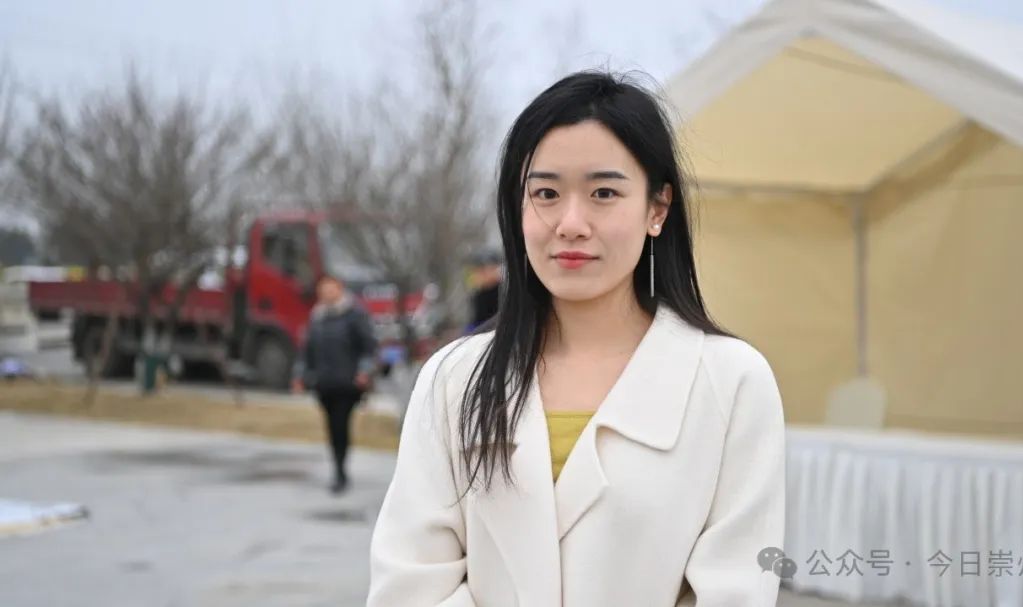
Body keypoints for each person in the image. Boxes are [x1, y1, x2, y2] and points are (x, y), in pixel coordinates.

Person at [367, 71, 786, 606]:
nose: (570, 223)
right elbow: (410, 584)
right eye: (545, 193)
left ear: (657, 209)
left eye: (603, 193)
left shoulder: (732, 381)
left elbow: (736, 587)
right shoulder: (455, 378)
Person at [291, 274, 378, 495]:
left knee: (341, 424)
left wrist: (364, 371)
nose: (327, 293)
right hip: (323, 383)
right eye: (323, 289)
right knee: (331, 426)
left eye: (331, 288)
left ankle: (340, 471)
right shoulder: (317, 317)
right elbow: (307, 351)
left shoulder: (355, 315)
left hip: (347, 384)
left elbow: (368, 347)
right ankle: (338, 465)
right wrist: (301, 375)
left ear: (340, 289)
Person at [465, 250, 503, 333]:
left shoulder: (503, 292)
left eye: (483, 270)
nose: (479, 274)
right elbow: (475, 322)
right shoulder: (478, 295)